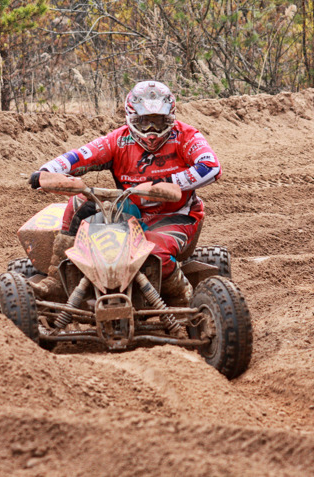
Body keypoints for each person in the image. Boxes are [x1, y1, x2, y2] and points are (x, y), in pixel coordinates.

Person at [28, 80, 221, 338]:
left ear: (171, 119)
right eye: (145, 122)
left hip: (176, 215)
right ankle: (55, 279)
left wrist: (167, 183)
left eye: (160, 122)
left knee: (155, 253)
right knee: (78, 203)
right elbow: (79, 156)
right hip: (130, 211)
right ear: (131, 117)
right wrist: (48, 171)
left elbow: (211, 166)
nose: (152, 131)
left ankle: (183, 300)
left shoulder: (187, 136)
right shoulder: (118, 141)